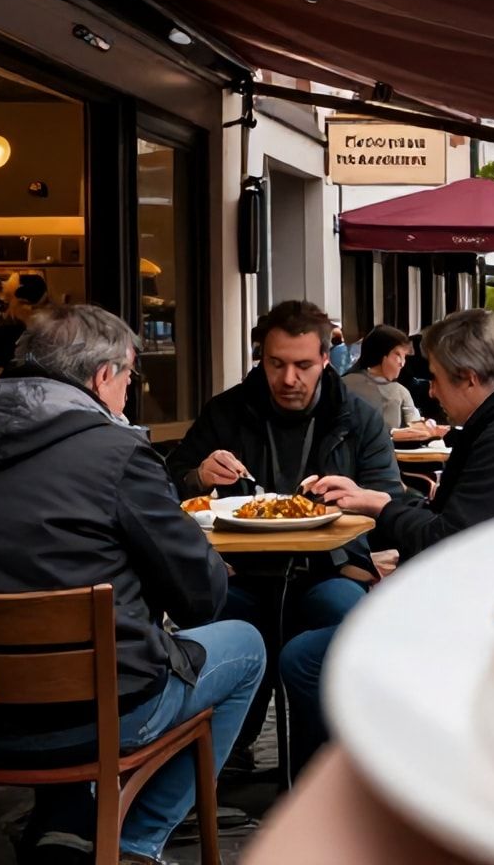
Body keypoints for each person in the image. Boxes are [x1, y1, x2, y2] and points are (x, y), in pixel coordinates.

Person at [0, 305, 263, 865]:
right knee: (247, 645)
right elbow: (200, 599)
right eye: (129, 379)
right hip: (92, 717)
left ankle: (65, 823)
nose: (128, 395)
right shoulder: (116, 453)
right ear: (102, 377)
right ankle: (134, 843)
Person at [309, 310, 494, 761]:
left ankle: (372, 780)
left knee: (310, 659)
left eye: (437, 378)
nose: (432, 389)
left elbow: (448, 542)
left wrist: (382, 506)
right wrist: (377, 500)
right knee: (326, 611)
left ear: (470, 379)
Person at [166, 301, 401, 778]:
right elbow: (167, 487)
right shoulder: (226, 411)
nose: (288, 378)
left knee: (342, 613)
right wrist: (196, 476)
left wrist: (356, 497)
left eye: (303, 365)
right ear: (261, 357)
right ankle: (221, 753)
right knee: (217, 616)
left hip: (329, 568)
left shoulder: (359, 418)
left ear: (326, 358)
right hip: (240, 572)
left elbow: (389, 502)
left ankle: (325, 766)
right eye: (276, 364)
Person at [343, 325, 445, 443]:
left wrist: (427, 425)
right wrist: (392, 433)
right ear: (381, 353)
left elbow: (413, 423)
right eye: (397, 354)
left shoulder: (401, 391)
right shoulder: (347, 385)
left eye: (404, 356)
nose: (402, 363)